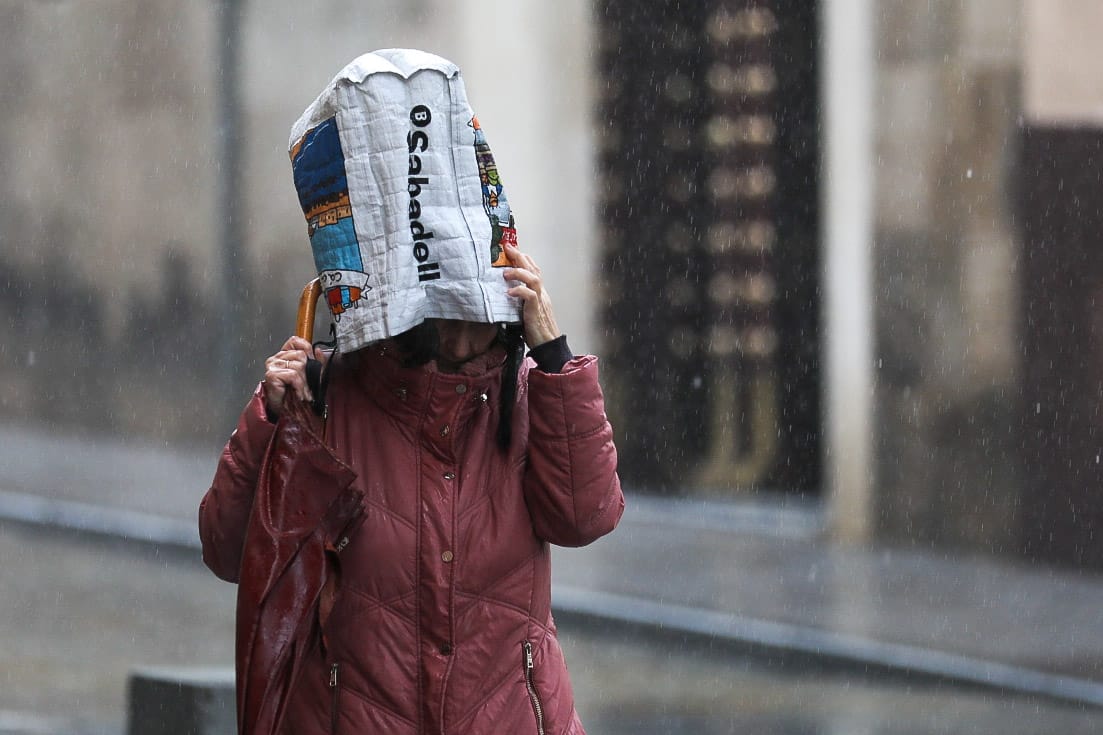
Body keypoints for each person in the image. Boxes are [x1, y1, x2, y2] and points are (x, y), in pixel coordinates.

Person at [199, 238, 624, 734]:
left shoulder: (529, 392)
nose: (465, 343)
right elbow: (228, 549)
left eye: (482, 315)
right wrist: (271, 418)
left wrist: (554, 356)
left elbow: (584, 516)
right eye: (447, 316)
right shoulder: (323, 395)